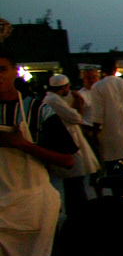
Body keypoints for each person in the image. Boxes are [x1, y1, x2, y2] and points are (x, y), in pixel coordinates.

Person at [0, 46, 72, 256]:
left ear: (14, 71)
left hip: (34, 208)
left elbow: (67, 160)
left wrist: (22, 145)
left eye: (2, 69)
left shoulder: (38, 110)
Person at [41, 73, 99, 212]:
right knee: (75, 183)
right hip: (69, 142)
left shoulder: (53, 99)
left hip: (69, 139)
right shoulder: (53, 100)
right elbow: (76, 118)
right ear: (65, 87)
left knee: (73, 184)